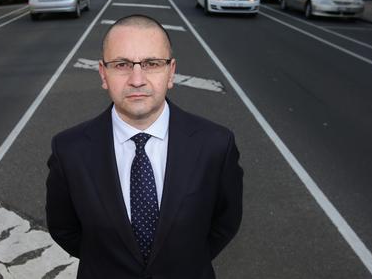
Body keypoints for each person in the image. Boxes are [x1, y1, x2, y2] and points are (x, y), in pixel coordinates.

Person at [46, 14, 243, 278]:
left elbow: (224, 223)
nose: (137, 79)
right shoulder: (68, 150)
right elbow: (64, 229)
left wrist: (184, 262)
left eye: (151, 63)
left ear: (171, 72)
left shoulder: (216, 145)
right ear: (103, 74)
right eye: (121, 64)